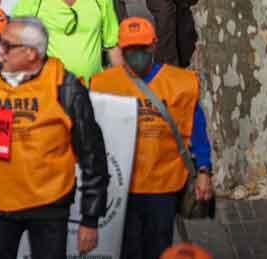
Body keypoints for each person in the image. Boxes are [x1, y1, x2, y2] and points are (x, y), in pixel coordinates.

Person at [0, 17, 108, 259]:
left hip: (48, 206)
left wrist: (91, 218)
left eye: (7, 46)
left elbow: (92, 154)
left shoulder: (65, 86)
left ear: (31, 53)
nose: (0, 52)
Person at [89, 16, 214, 258]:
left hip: (164, 184)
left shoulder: (180, 83)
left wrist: (204, 171)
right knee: (126, 249)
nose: (137, 53)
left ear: (154, 45)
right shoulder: (103, 83)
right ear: (121, 50)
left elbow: (196, 130)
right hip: (121, 184)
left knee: (158, 246)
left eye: (142, 47)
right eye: (130, 49)